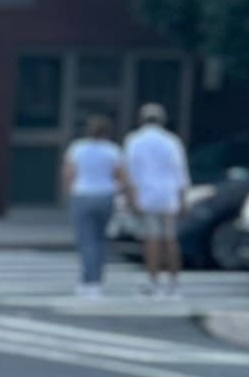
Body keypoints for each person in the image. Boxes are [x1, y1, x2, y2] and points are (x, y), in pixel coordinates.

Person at [121, 102, 190, 298]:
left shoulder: (134, 140)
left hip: (146, 194)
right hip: (168, 195)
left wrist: (130, 197)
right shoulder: (172, 141)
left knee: (151, 239)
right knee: (170, 239)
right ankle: (174, 282)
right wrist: (183, 198)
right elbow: (180, 171)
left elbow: (130, 171)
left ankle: (154, 280)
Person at [62, 112, 122, 299]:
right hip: (105, 195)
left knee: (86, 240)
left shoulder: (77, 148)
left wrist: (68, 194)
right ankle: (97, 279)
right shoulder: (113, 150)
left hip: (83, 194)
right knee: (100, 239)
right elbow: (120, 175)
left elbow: (68, 173)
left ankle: (88, 280)